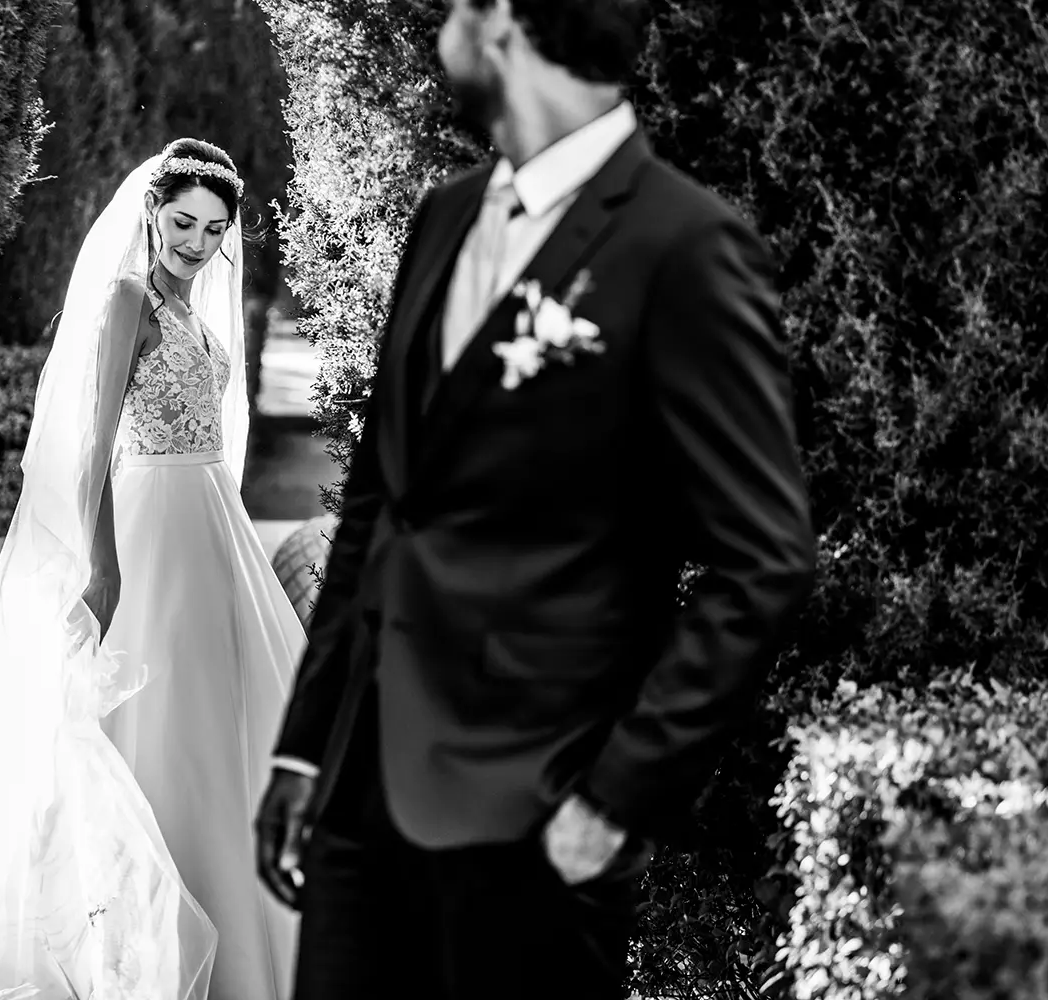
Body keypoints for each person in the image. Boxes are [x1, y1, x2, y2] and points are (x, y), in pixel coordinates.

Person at [253, 1, 818, 998]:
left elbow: (764, 559)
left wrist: (613, 797)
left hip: (536, 825)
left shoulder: (684, 246)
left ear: (505, 21)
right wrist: (304, 751)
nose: (442, 33)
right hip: (360, 801)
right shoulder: (445, 216)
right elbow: (386, 503)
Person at [0, 138, 302, 1000]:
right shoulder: (125, 299)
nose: (197, 240)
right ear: (152, 212)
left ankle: (258, 927)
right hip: (150, 528)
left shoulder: (196, 307)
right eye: (183, 220)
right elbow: (91, 447)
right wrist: (103, 565)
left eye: (214, 228)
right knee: (159, 716)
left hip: (213, 525)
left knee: (234, 711)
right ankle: (140, 940)